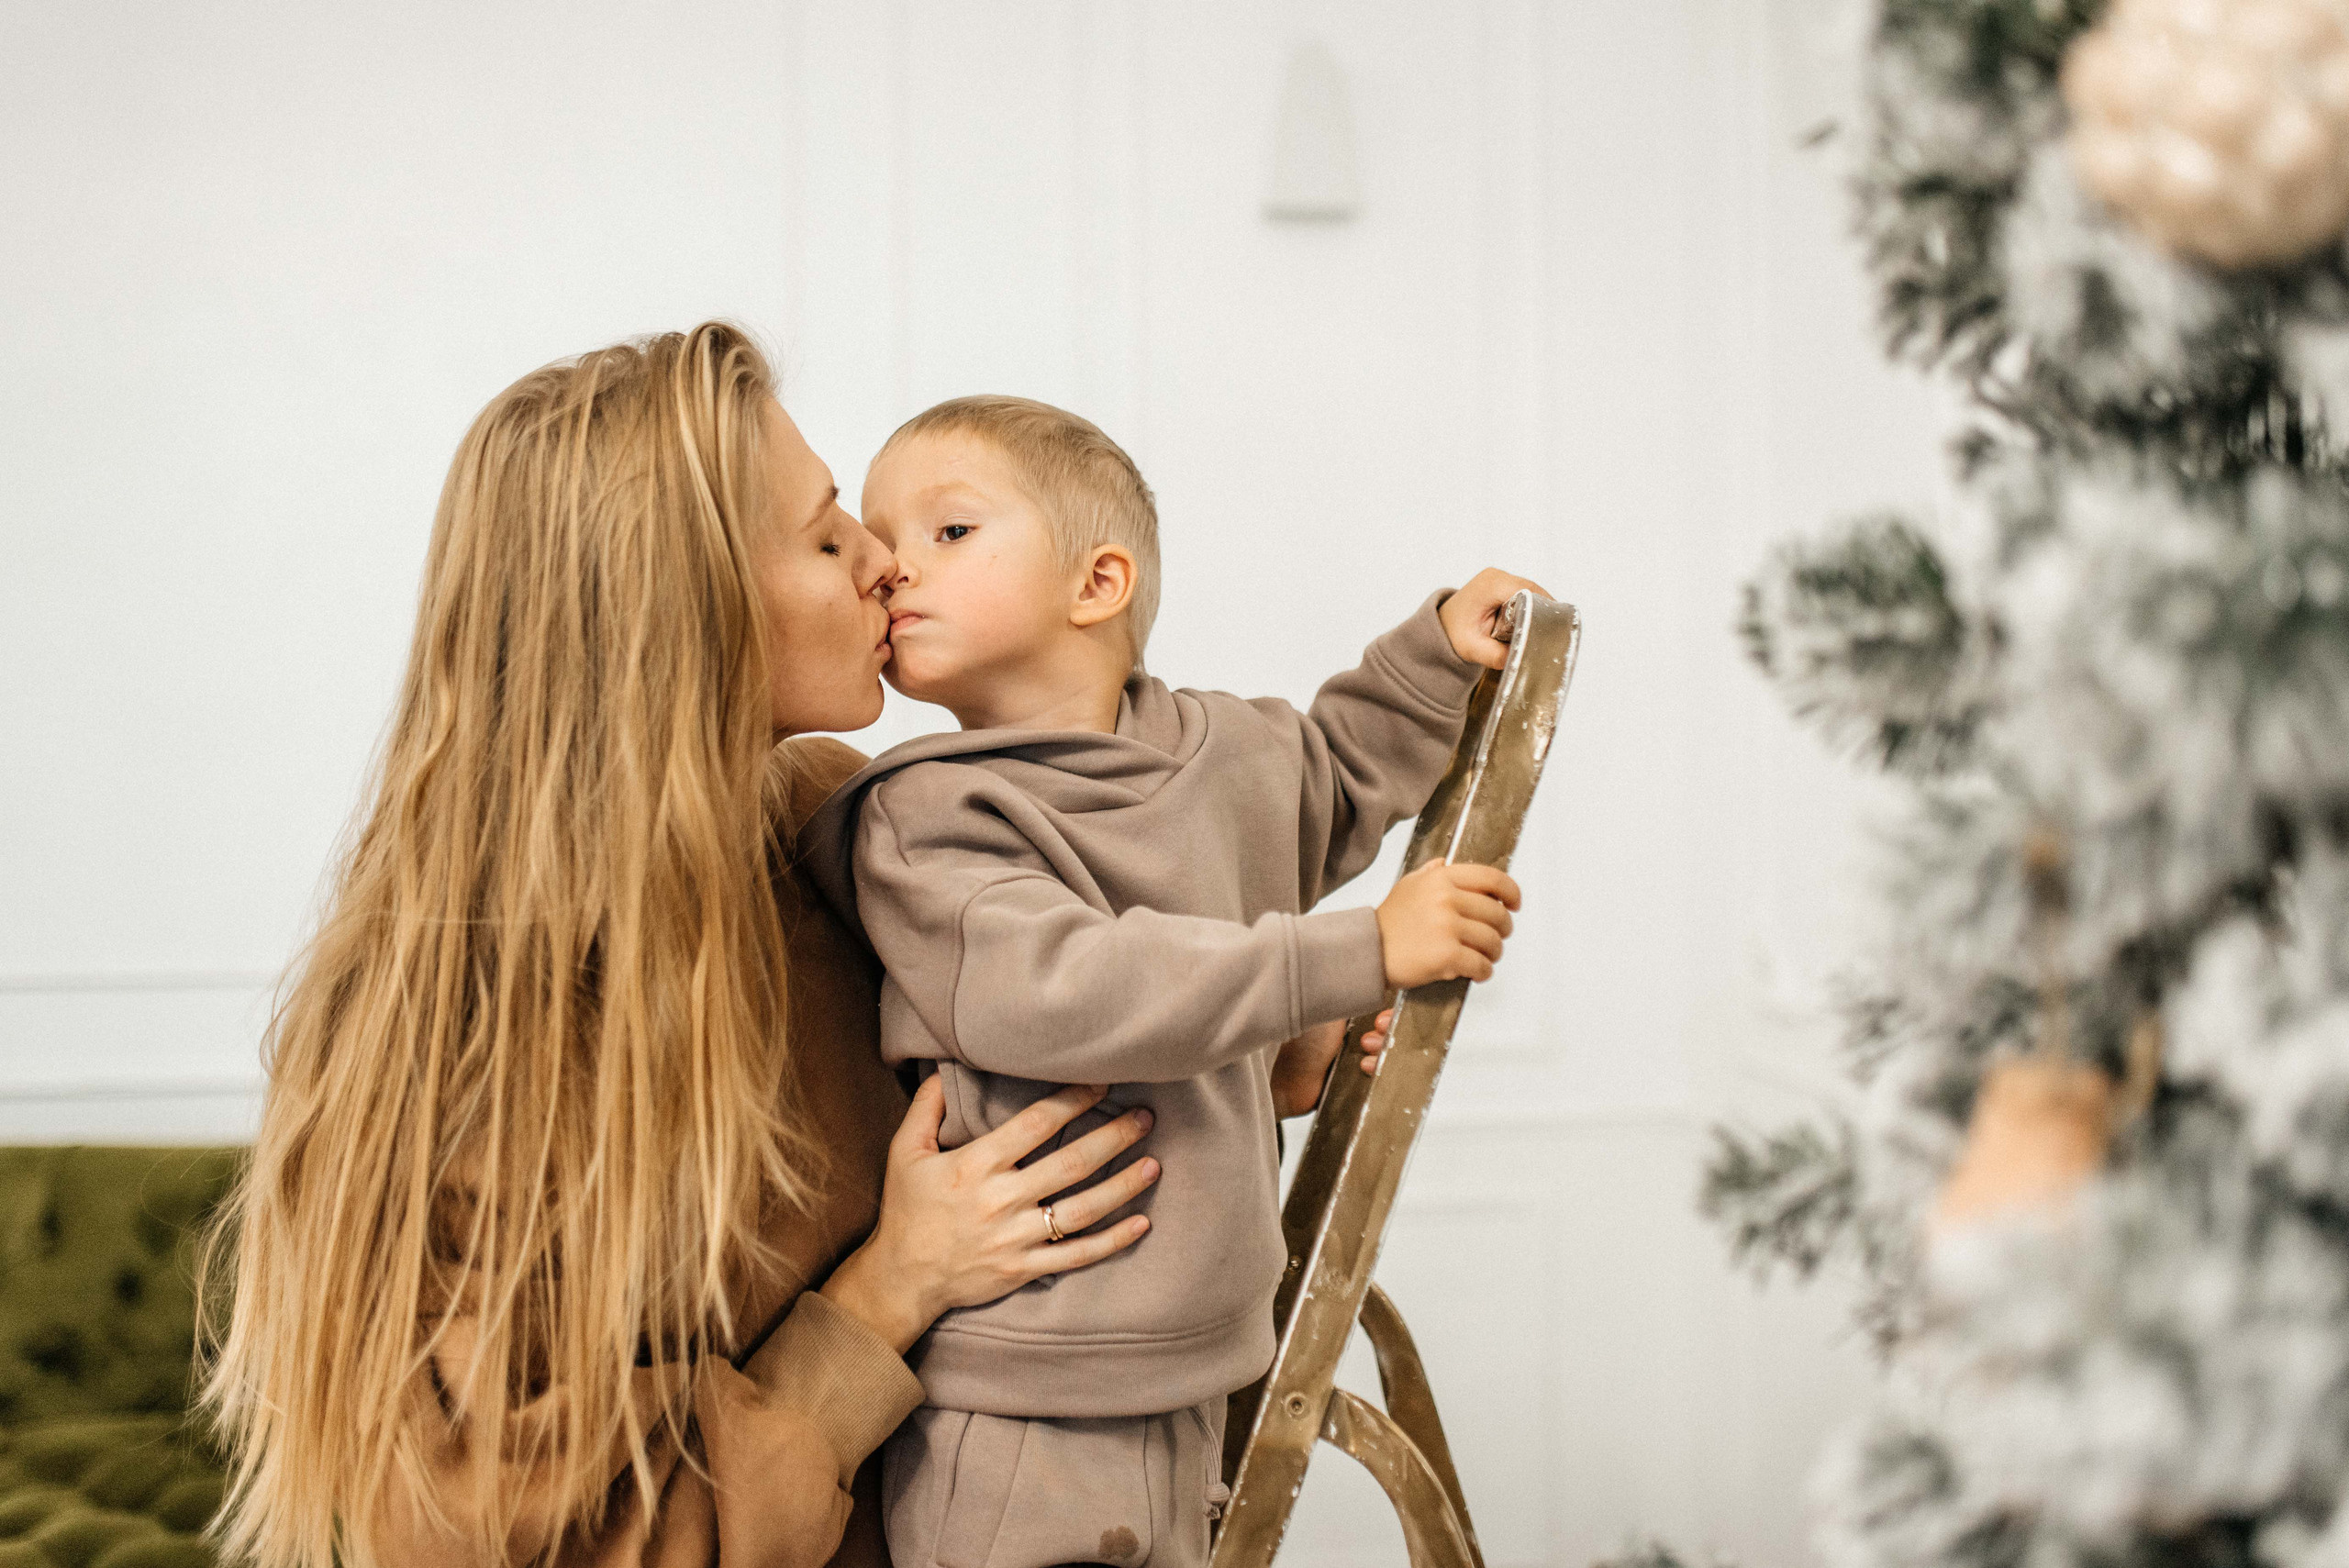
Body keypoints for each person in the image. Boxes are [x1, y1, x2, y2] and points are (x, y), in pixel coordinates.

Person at [196, 327, 1349, 1568]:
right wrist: (890, 1288)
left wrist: (1268, 1050)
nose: (884, 563)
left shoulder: (846, 830)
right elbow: (539, 1541)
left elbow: (1073, 1062)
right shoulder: (460, 1051)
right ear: (684, 613)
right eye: (826, 538)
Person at [799, 395, 1539, 1568]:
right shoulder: (926, 815)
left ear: (1097, 582)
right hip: (1021, 1398)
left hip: (1206, 1369)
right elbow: (1071, 989)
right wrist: (1352, 952)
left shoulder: (1225, 753)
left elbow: (1341, 768)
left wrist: (1438, 653)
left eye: (948, 532)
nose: (890, 567)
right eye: (882, 541)